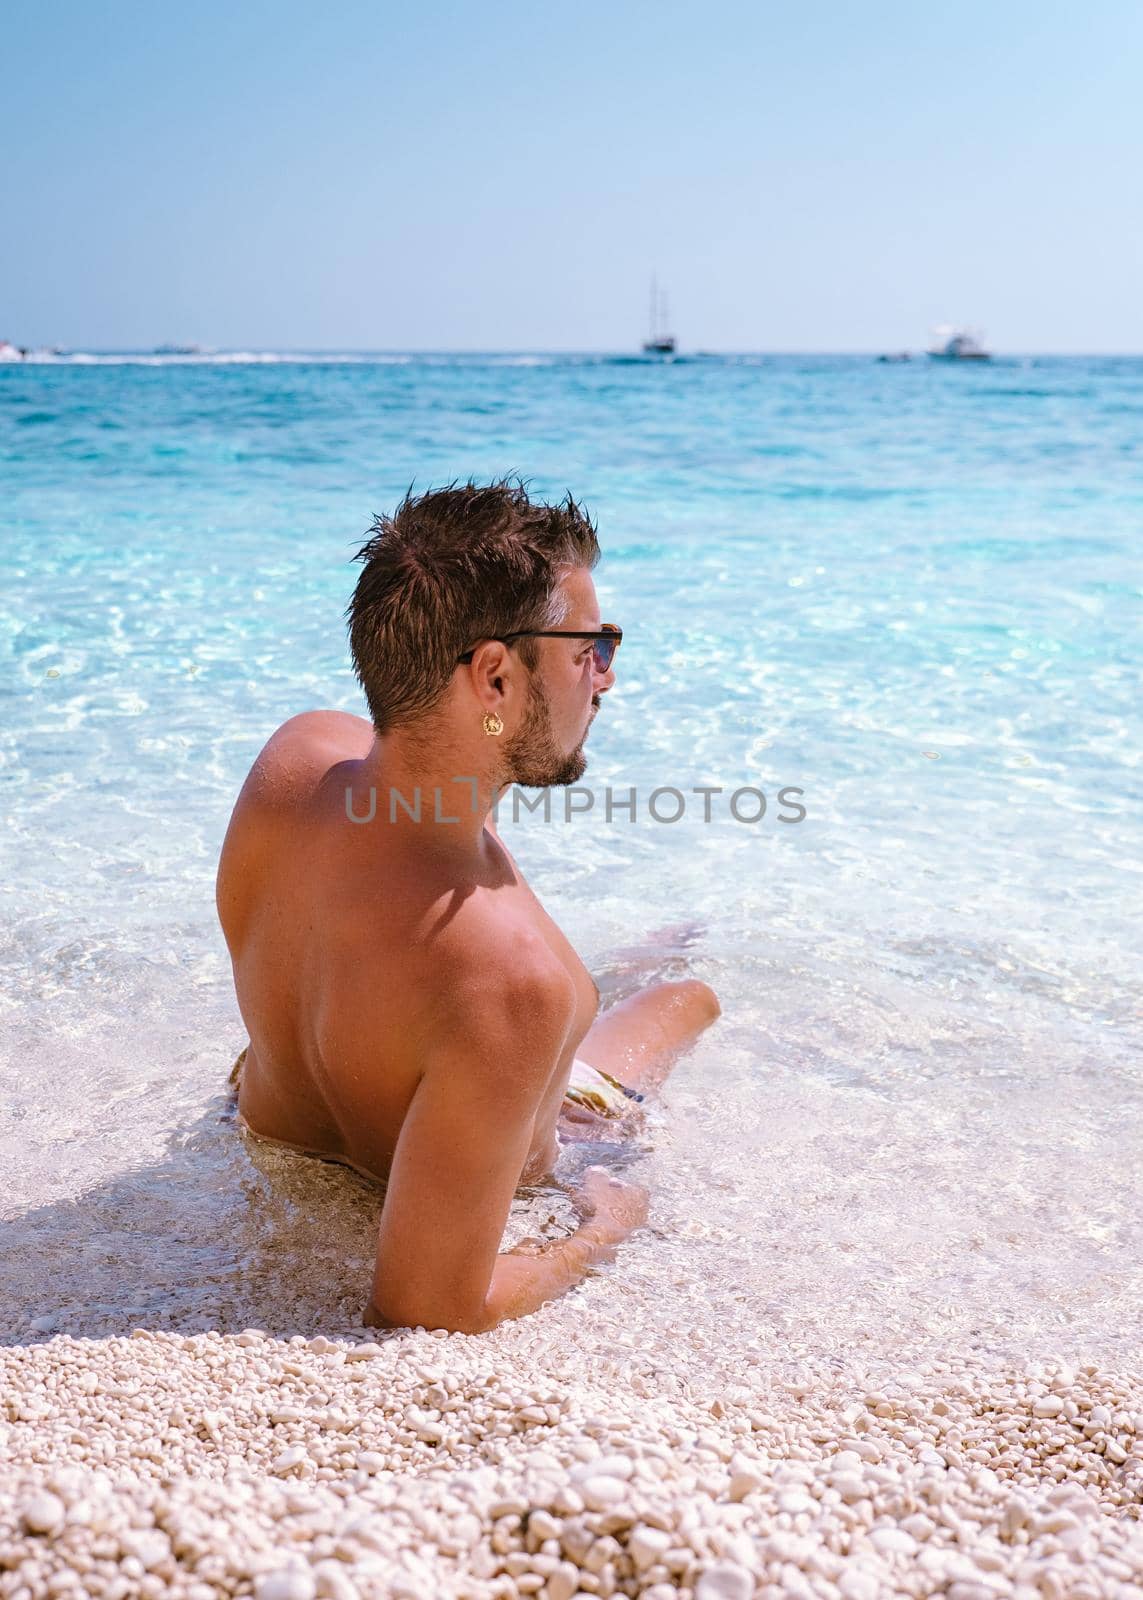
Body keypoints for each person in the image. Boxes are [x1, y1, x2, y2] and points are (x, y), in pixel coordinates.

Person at [215, 480, 720, 1333]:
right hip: (486, 1124)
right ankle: (668, 964)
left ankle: (647, 958)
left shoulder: (296, 761)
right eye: (587, 649)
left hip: (275, 1117)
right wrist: (607, 1226)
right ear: (493, 676)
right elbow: (428, 1304)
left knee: (630, 975)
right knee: (688, 995)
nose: (606, 678)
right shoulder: (508, 982)